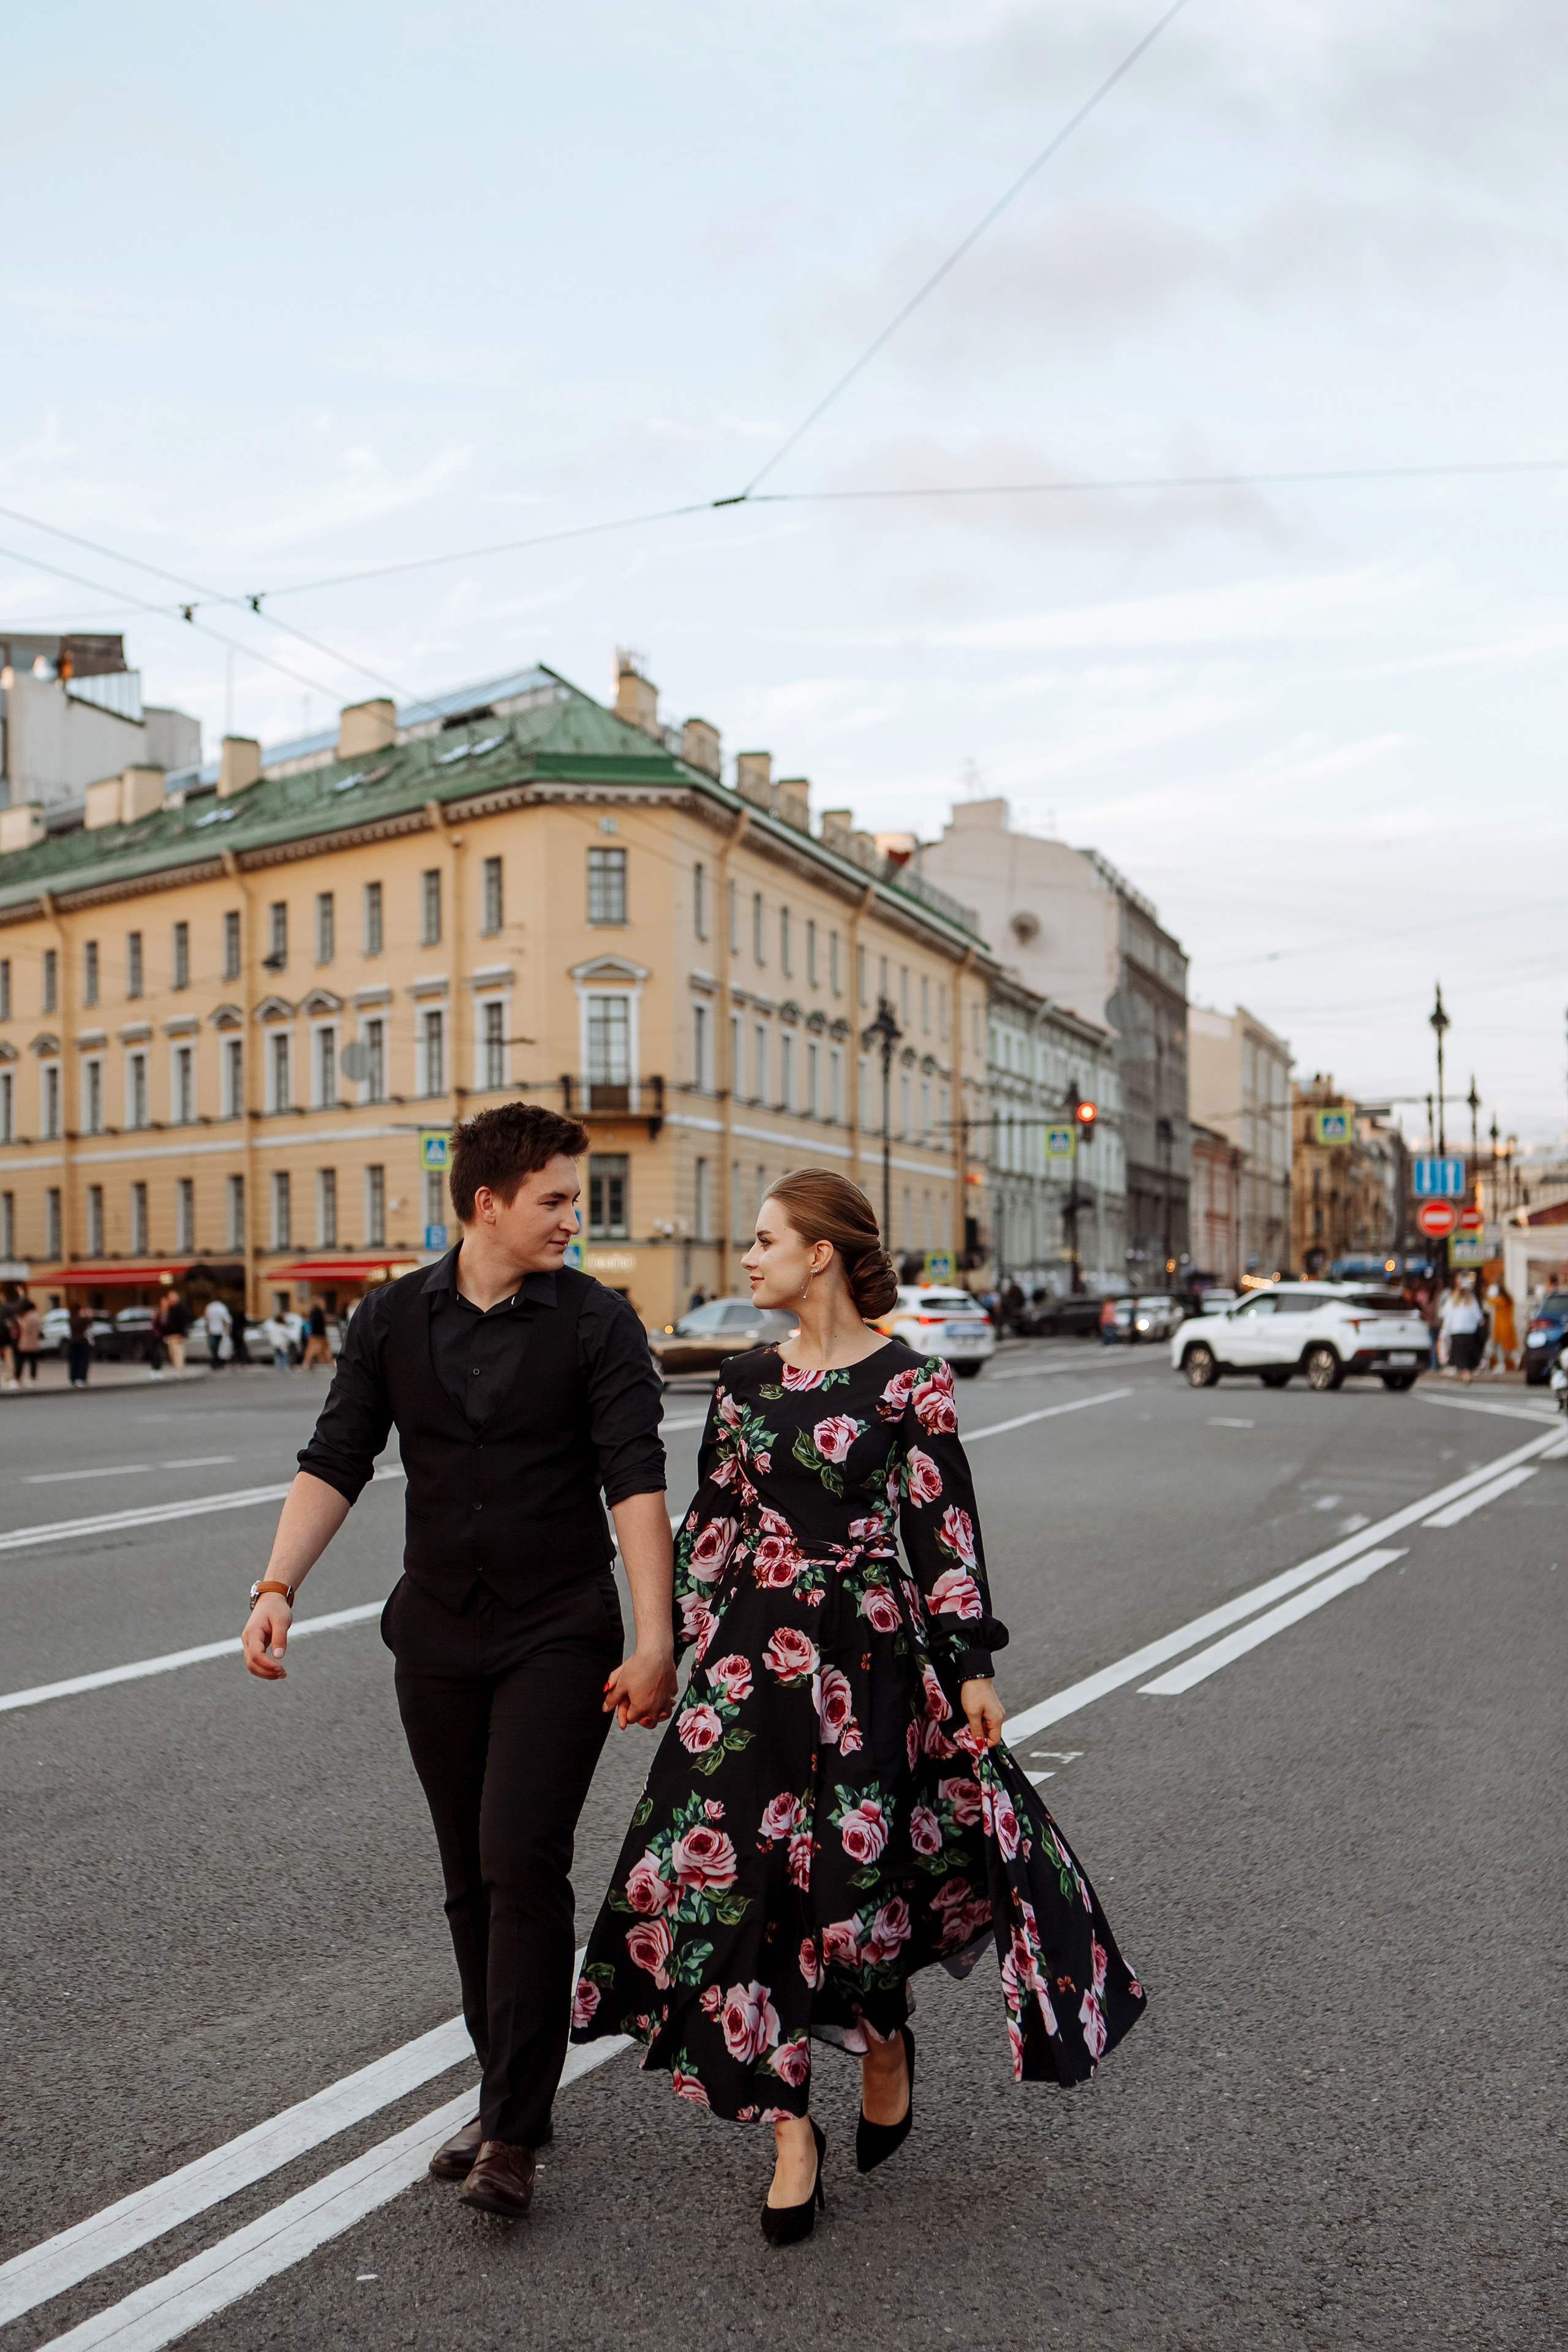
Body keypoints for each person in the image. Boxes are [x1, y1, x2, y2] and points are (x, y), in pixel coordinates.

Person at [572, 1169, 1145, 2248]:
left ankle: (884, 2038)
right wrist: (666, 1654)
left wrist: (973, 1666)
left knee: (852, 1886)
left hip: (871, 1667)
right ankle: (791, 2133)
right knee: (738, 1892)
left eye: (764, 1240)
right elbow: (712, 1533)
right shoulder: (742, 1383)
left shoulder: (912, 1383)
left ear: (821, 1253)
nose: (747, 1258)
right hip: (752, 1676)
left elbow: (944, 1530)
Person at [241, 1104, 677, 2223]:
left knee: (519, 1858)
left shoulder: (598, 1324)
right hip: (436, 1633)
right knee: (469, 1878)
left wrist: (653, 1634)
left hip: (557, 1628)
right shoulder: (391, 1319)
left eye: (575, 1199)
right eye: (556, 1199)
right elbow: (336, 1456)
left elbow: (634, 1480)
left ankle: (515, 2136)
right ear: (489, 1203)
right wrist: (277, 1586)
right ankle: (505, 2092)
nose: (574, 1217)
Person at [1438, 1276, 1485, 1384]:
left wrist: (1444, 1332)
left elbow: (1447, 1318)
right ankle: (1466, 1374)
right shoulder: (1471, 1302)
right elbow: (1479, 1317)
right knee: (1466, 1356)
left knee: (1460, 1356)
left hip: (1457, 1332)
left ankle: (1465, 1374)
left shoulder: (1452, 1302)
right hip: (1469, 1333)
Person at [1485, 1282, 1517, 1375]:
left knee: (1501, 1348)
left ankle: (1502, 1364)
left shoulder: (1501, 1301)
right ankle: (1513, 1360)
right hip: (1509, 1326)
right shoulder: (1510, 1301)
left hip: (1501, 1328)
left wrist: (1489, 1293)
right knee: (1509, 1348)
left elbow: (1490, 1301)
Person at [161, 1289, 189, 1376]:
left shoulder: (180, 1308)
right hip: (170, 1335)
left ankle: (179, 1370)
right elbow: (165, 1322)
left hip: (177, 1335)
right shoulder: (169, 1309)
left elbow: (183, 1322)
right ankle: (177, 1368)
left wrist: (183, 1334)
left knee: (178, 1353)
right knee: (172, 1353)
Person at [14, 1297, 42, 1384]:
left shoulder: (28, 1317)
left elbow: (25, 1329)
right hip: (34, 1343)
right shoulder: (36, 1316)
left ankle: (18, 1377)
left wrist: (20, 1321)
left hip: (25, 1343)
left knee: (20, 1362)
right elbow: (39, 1330)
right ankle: (33, 1377)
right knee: (33, 1362)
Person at [66, 1302, 94, 1390]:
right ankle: (81, 1378)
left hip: (73, 1342)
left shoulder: (71, 1318)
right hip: (82, 1342)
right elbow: (89, 1322)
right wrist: (88, 1315)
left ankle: (73, 1378)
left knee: (74, 1361)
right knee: (83, 1361)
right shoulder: (81, 1319)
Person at [301, 1300, 333, 1370]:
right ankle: (333, 1364)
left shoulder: (313, 1312)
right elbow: (319, 1324)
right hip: (319, 1335)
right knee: (323, 1350)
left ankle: (306, 1364)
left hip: (315, 1334)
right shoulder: (318, 1312)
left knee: (312, 1350)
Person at [204, 1294, 232, 1370]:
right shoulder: (222, 1307)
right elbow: (226, 1320)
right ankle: (219, 1362)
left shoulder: (209, 1307)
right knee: (220, 1348)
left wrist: (207, 1329)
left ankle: (215, 1362)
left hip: (212, 1330)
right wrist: (227, 1331)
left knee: (214, 1349)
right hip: (220, 1331)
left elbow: (207, 1319)